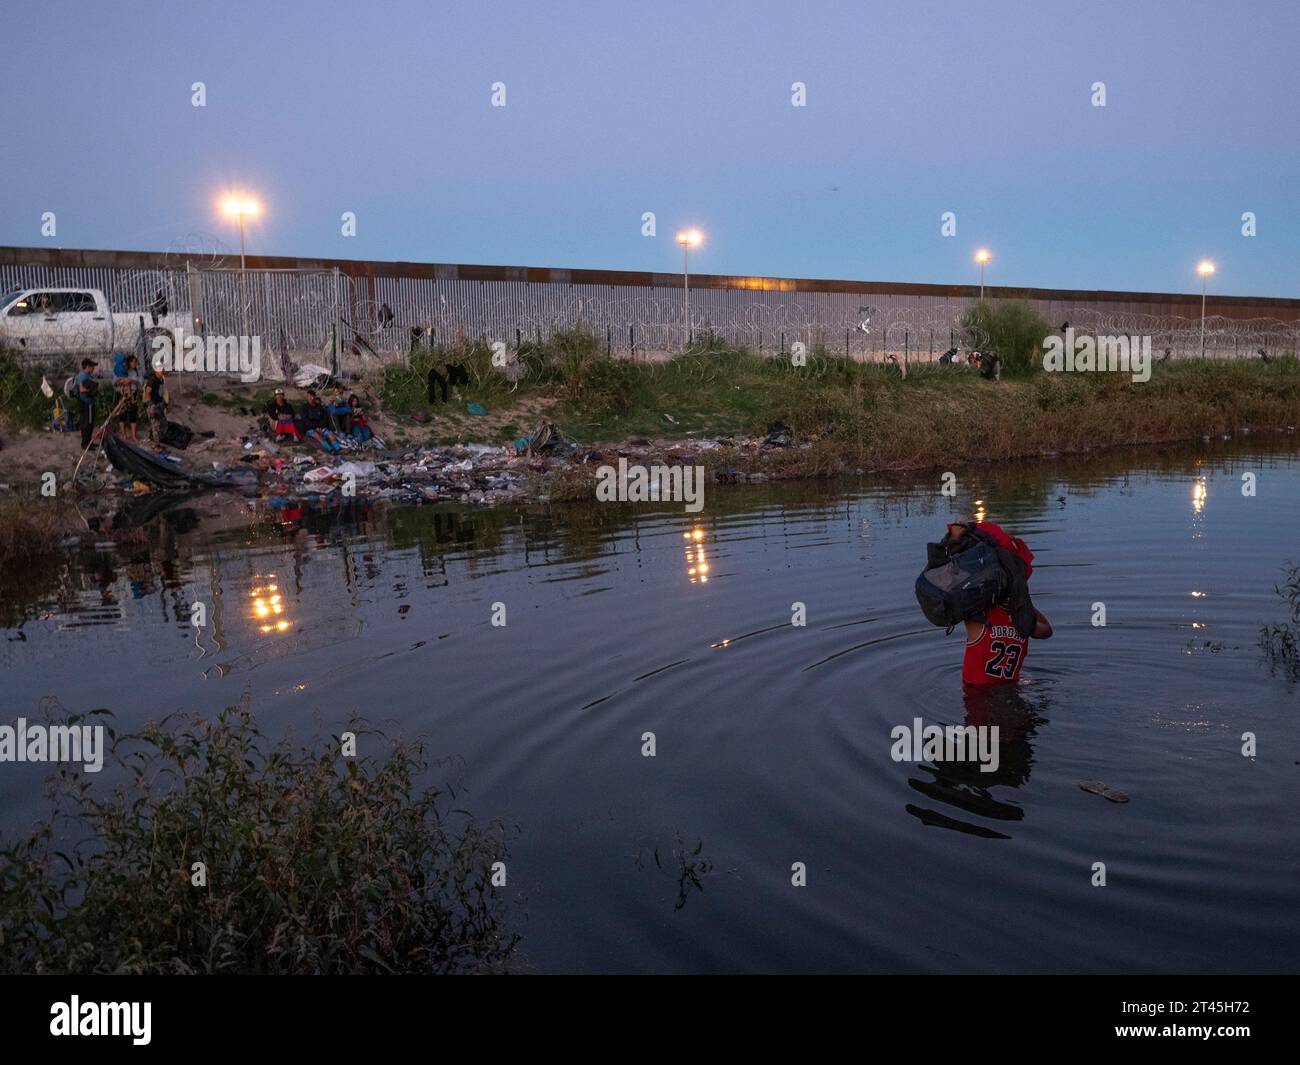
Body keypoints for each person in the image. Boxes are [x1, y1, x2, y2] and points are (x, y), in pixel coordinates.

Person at [944, 522, 1052, 685]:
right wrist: (1022, 601)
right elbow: (1047, 631)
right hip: (1012, 692)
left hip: (976, 698)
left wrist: (956, 537)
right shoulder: (1024, 620)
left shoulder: (978, 615)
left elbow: (957, 581)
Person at [115, 354, 142, 441]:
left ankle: (134, 436)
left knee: (133, 415)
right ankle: (124, 435)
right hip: (122, 395)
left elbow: (140, 382)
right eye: (132, 361)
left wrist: (132, 381)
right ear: (128, 362)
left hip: (133, 395)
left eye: (135, 362)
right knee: (122, 415)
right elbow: (115, 382)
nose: (134, 363)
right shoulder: (120, 370)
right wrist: (123, 382)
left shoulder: (137, 372)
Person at [75, 358, 99, 449]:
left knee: (90, 423)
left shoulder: (87, 375)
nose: (93, 369)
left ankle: (89, 443)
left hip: (89, 402)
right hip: (86, 403)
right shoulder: (83, 376)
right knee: (87, 423)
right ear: (88, 367)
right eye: (92, 367)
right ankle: (85, 444)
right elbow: (81, 389)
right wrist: (92, 390)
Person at [143, 364, 168, 446]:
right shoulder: (153, 379)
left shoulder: (161, 379)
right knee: (156, 426)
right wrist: (151, 405)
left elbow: (161, 392)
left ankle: (153, 440)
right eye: (161, 369)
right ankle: (156, 445)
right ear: (156, 370)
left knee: (163, 424)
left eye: (163, 369)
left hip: (159, 405)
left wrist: (165, 403)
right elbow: (147, 392)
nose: (163, 370)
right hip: (153, 406)